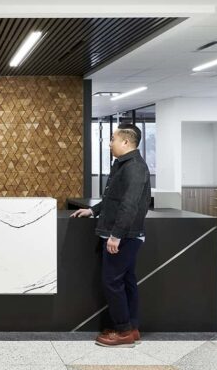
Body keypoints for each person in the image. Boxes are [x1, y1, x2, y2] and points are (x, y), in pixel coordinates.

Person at [70, 123, 150, 348]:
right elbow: (114, 199)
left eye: (113, 139)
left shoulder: (134, 167)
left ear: (126, 142)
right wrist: (93, 210)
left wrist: (116, 235)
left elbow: (130, 204)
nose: (109, 144)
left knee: (112, 282)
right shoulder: (124, 165)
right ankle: (130, 327)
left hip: (124, 236)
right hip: (124, 234)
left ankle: (123, 331)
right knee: (126, 281)